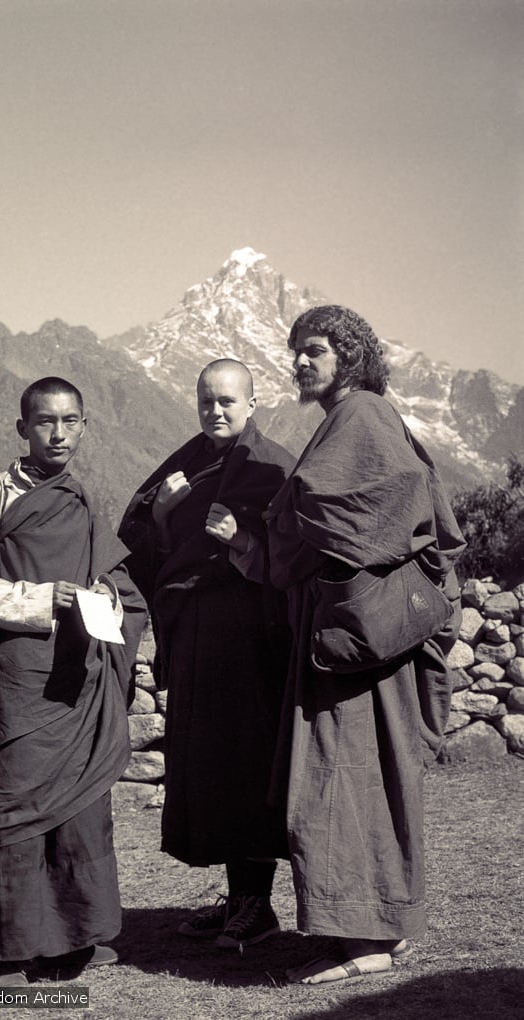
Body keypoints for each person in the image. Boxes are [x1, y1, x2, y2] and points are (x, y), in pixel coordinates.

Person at [265, 306, 465, 985]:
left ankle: (366, 940)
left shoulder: (363, 418)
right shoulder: (352, 419)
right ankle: (378, 925)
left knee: (338, 781)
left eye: (314, 349)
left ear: (350, 356)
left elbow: (378, 505)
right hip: (353, 636)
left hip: (357, 644)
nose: (299, 361)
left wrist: (284, 512)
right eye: (294, 350)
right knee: (359, 778)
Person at [0, 376, 147, 988]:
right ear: (23, 428)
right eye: (45, 422)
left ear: (83, 426)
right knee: (16, 807)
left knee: (81, 808)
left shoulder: (78, 494)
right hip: (23, 675)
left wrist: (109, 593)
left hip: (79, 670)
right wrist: (39, 598)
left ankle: (76, 937)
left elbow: (112, 572)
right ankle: (11, 951)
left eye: (70, 421)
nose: (58, 434)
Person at [118, 359, 296, 948]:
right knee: (210, 765)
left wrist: (243, 539)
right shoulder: (186, 465)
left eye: (226, 401)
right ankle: (238, 898)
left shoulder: (273, 468)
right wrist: (165, 515)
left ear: (252, 403)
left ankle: (259, 906)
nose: (215, 411)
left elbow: (300, 554)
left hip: (253, 641)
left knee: (249, 763)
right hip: (197, 637)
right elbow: (144, 540)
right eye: (205, 402)